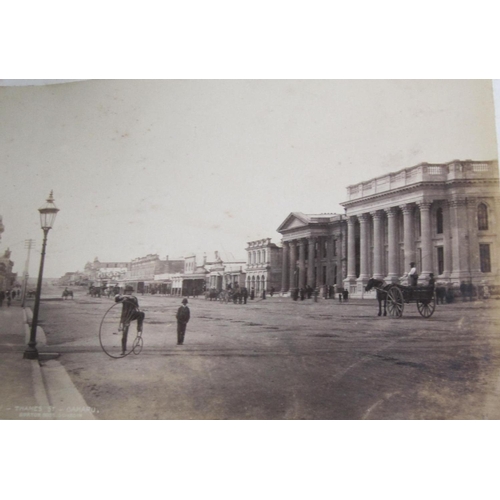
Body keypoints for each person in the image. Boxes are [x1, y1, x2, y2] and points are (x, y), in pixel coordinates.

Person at [114, 285, 145, 356]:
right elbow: (116, 299)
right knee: (124, 334)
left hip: (132, 314)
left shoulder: (133, 298)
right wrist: (123, 297)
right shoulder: (123, 297)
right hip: (125, 317)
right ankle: (123, 350)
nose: (129, 293)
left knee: (141, 314)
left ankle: (139, 327)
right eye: (128, 291)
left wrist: (128, 298)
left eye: (130, 291)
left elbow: (136, 304)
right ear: (125, 291)